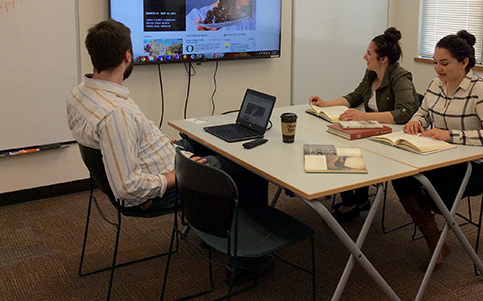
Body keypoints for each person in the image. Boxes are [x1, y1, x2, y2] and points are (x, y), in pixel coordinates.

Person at [66, 19, 268, 213]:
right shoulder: (116, 113)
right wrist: (176, 175)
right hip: (159, 193)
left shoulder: (80, 94)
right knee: (243, 165)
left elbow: (117, 143)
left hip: (160, 159)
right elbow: (127, 188)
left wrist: (155, 143)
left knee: (210, 142)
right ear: (128, 56)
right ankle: (238, 238)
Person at [394, 30, 483, 266]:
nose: (438, 69)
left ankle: (434, 221)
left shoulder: (482, 90)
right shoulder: (436, 85)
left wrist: (450, 135)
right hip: (445, 157)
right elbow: (423, 112)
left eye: (444, 63)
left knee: (433, 182)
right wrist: (416, 121)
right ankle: (436, 240)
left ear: (464, 62)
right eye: (436, 63)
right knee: (401, 176)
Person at [309, 27, 420, 221]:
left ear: (383, 58)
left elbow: (404, 113)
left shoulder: (400, 76)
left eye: (369, 53)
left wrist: (364, 119)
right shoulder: (371, 74)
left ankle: (351, 203)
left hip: (395, 137)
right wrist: (325, 104)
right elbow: (356, 96)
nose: (364, 57)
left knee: (346, 150)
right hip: (374, 132)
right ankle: (357, 199)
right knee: (338, 144)